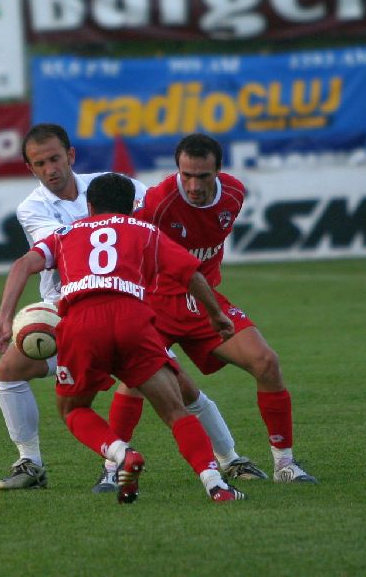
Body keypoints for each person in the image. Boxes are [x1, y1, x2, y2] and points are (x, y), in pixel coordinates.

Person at [0, 124, 263, 493]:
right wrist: (214, 309)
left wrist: (5, 317)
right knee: (10, 369)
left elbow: (32, 259)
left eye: (54, 158)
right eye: (40, 163)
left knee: (177, 391)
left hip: (91, 315)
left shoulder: (98, 198)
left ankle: (215, 459)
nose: (50, 168)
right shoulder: (35, 208)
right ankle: (31, 462)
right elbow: (154, 239)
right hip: (78, 310)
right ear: (30, 168)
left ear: (70, 156)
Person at [124, 133, 320, 484]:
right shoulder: (158, 202)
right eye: (186, 175)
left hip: (205, 303)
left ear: (218, 171)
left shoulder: (234, 194)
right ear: (177, 170)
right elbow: (131, 246)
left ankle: (285, 465)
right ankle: (112, 469)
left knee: (266, 362)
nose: (194, 185)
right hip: (157, 302)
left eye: (202, 176)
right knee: (134, 381)